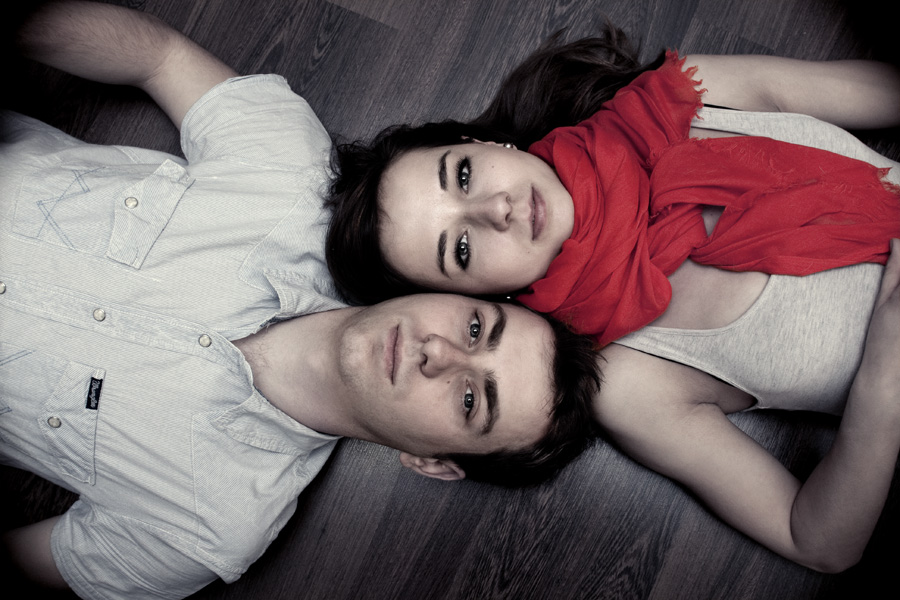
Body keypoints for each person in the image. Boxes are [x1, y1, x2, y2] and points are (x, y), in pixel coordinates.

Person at [0, 3, 601, 598]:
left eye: (470, 399)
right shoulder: (295, 173)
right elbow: (158, 57)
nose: (438, 353)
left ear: (433, 463)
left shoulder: (204, 531)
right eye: (474, 329)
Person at [326, 26, 900, 571]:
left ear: (482, 143)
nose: (495, 209)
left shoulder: (682, 95)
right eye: (461, 248)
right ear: (472, 295)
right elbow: (816, 540)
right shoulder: (629, 381)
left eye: (463, 175)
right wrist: (882, 383)